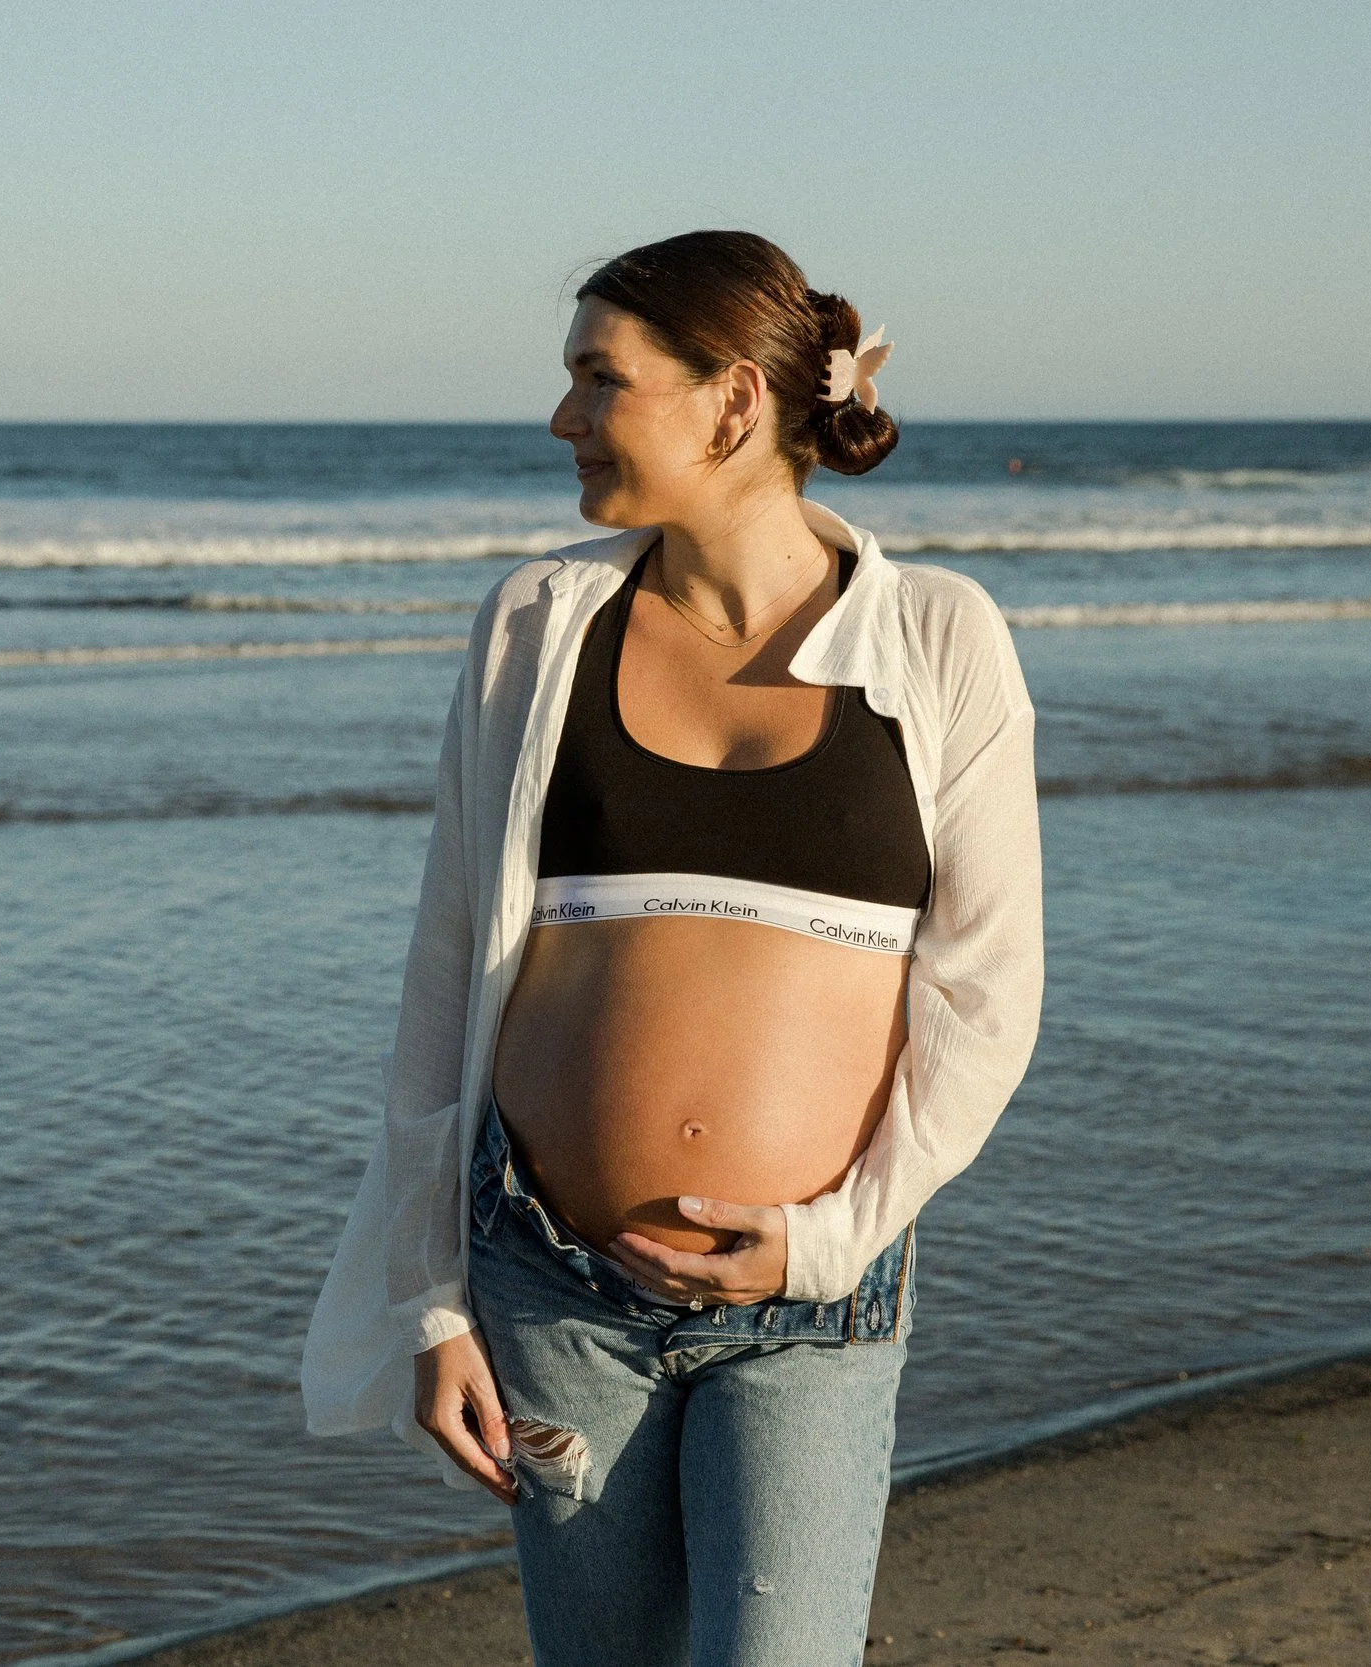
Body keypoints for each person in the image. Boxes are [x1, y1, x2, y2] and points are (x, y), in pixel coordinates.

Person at [301, 230, 1044, 1666]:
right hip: (549, 1285)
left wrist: (827, 1241)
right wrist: (430, 1293)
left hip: (810, 1303)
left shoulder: (939, 638)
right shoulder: (539, 624)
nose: (565, 416)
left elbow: (987, 997)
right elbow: (449, 967)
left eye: (600, 378)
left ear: (731, 403)